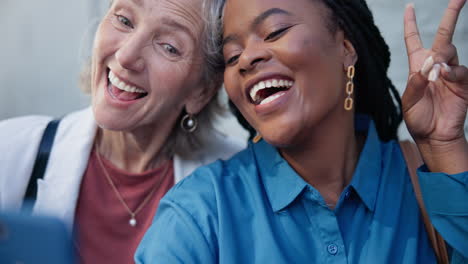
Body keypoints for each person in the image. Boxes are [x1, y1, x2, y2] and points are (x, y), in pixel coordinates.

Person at [135, 0, 468, 263]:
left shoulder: (422, 181)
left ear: (346, 46)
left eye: (276, 30)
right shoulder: (200, 214)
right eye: (232, 56)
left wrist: (444, 145)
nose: (247, 58)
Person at [0, 0, 246, 263]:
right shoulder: (9, 150)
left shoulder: (239, 188)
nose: (126, 56)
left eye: (169, 47)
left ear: (202, 91)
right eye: (124, 20)